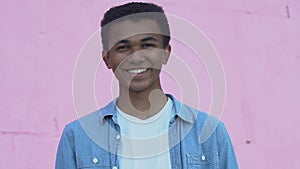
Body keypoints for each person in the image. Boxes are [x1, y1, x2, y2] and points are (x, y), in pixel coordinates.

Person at [55, 2, 239, 169]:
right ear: (107, 58)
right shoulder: (77, 137)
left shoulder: (210, 132)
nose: (136, 57)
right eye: (123, 47)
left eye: (147, 45)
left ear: (165, 53)